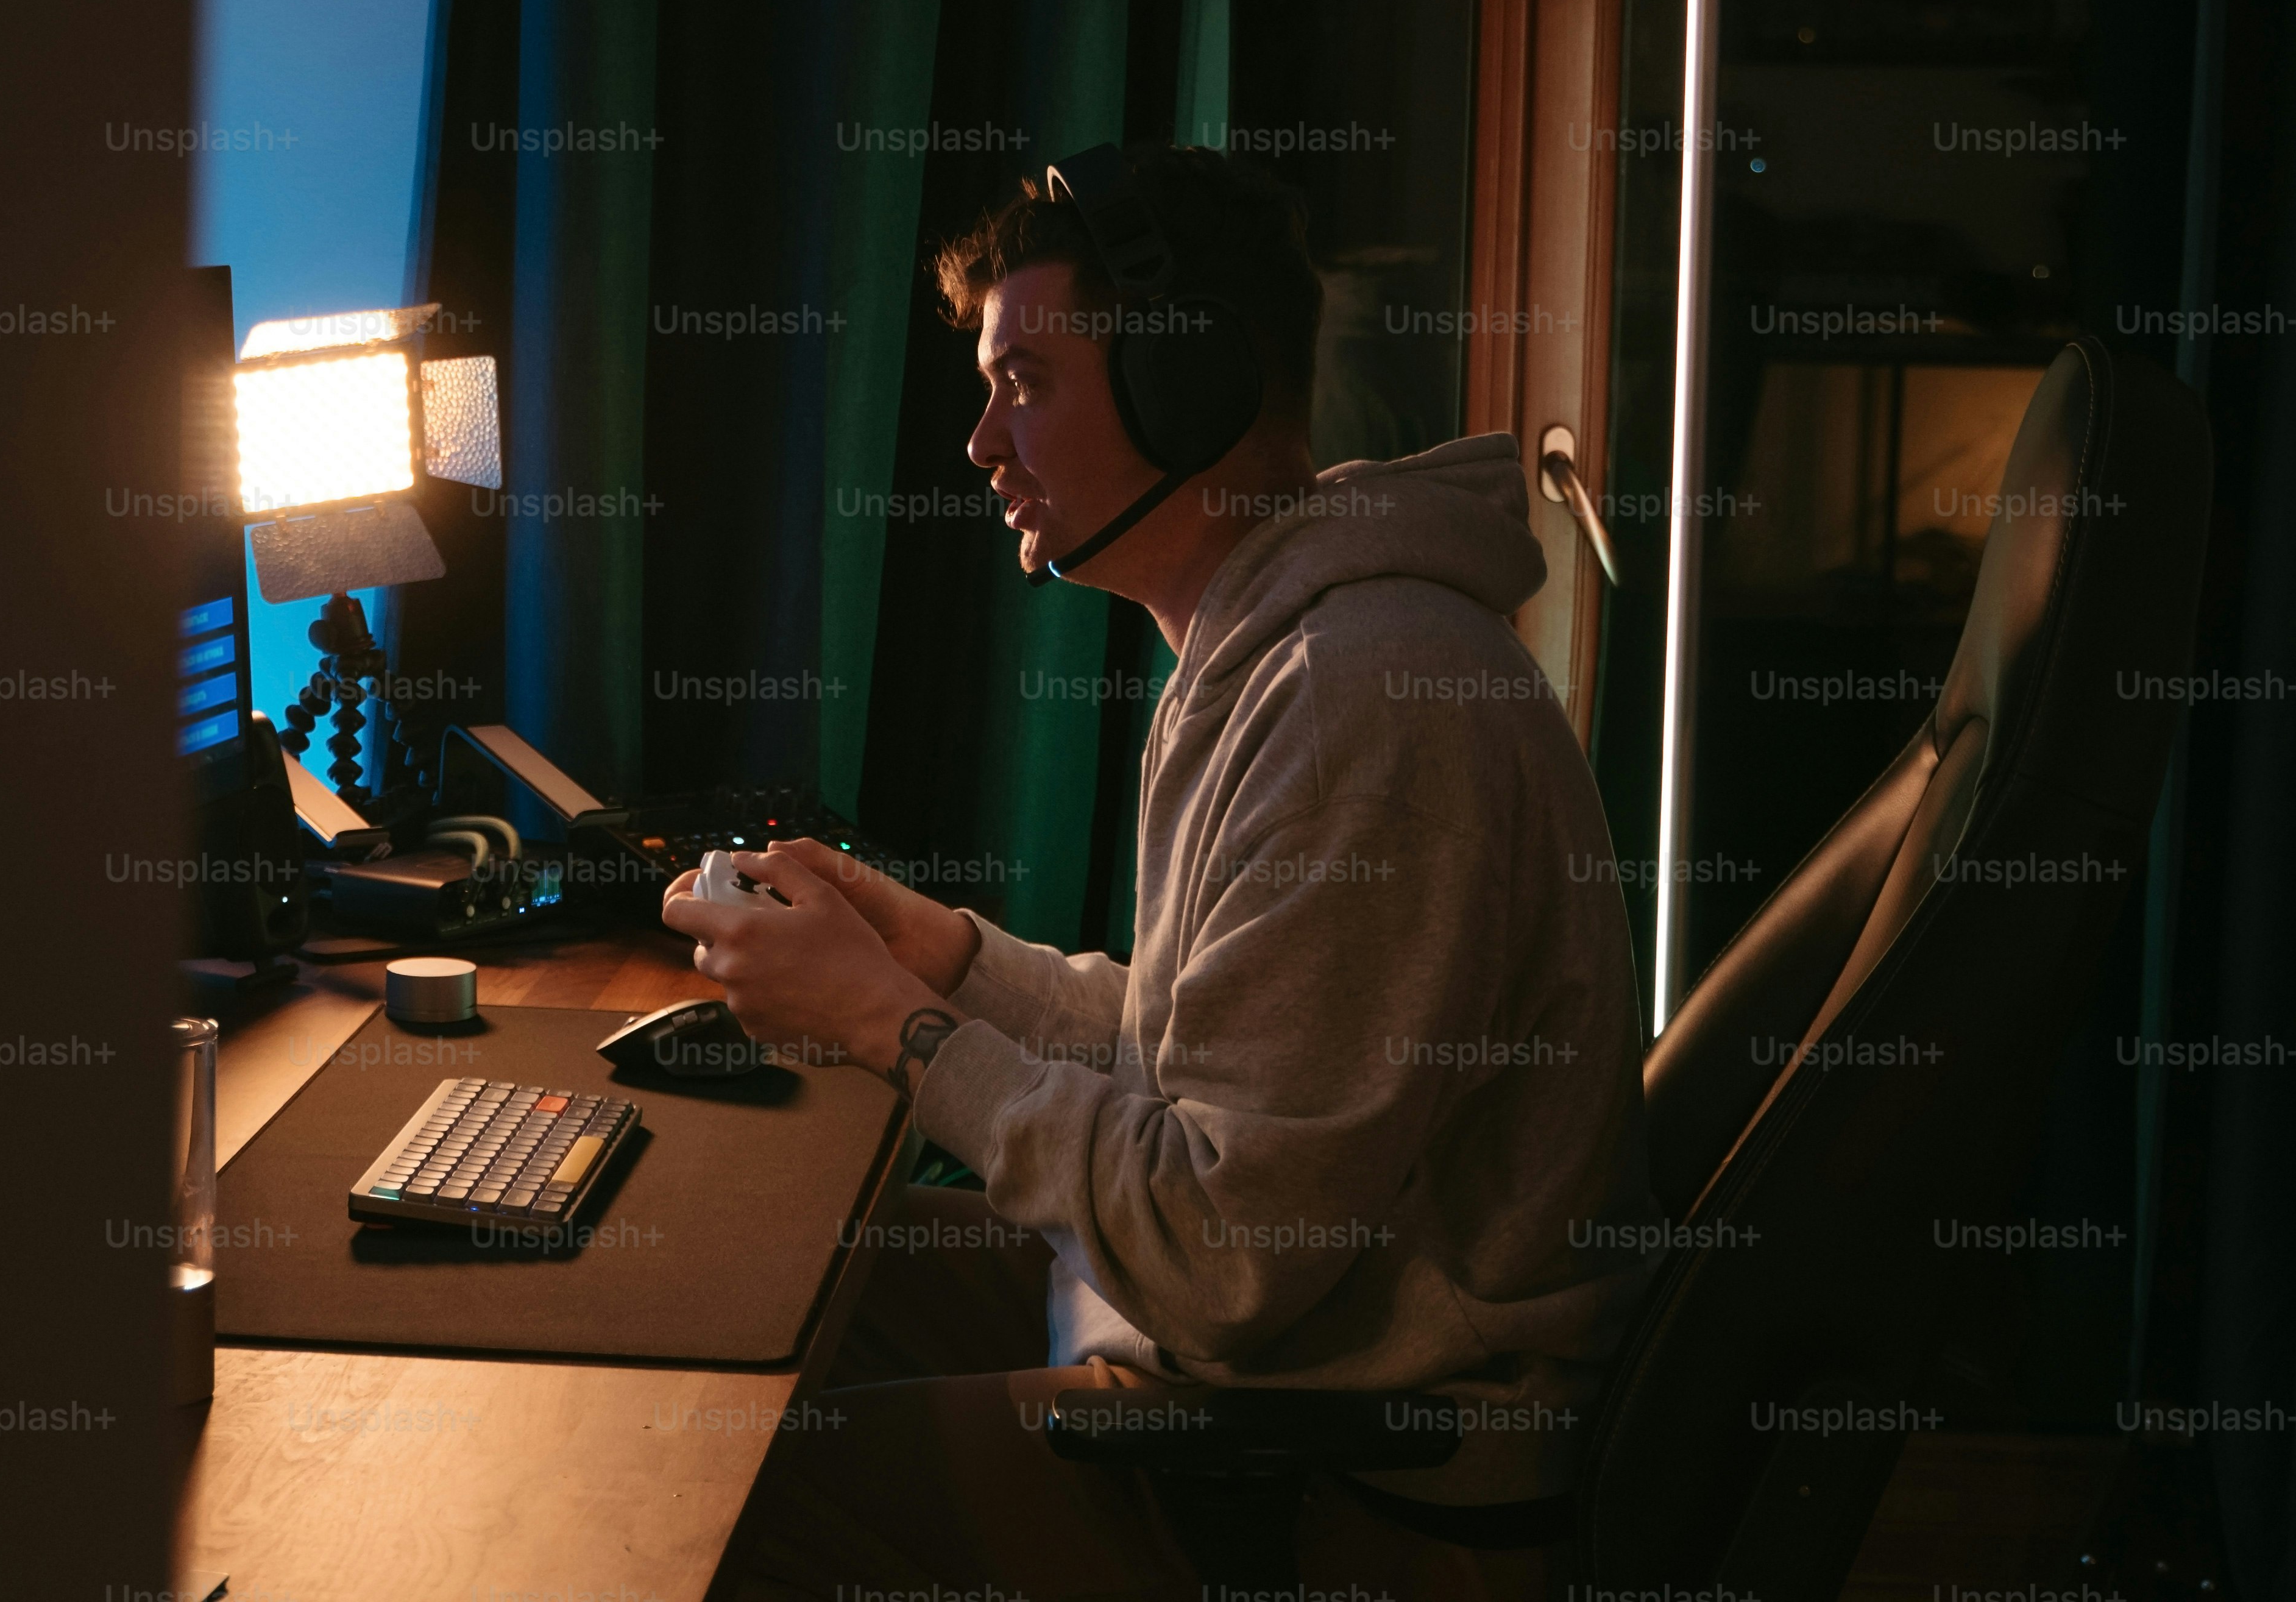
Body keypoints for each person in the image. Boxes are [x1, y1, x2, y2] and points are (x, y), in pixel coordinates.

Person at [673, 145, 1662, 1598]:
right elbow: (1215, 1058)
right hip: (1267, 1369)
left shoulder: (1356, 698)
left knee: (711, 1496)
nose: (980, 446)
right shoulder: (1278, 651)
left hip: (1349, 1482)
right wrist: (948, 959)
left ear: (1184, 385)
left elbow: (1225, 1256)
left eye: (1027, 382)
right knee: (779, 1283)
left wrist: (896, 1026)